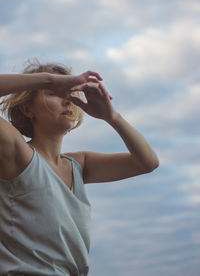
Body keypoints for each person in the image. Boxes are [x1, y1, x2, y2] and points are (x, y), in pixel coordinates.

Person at [0, 60, 159, 276]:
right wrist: (49, 79)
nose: (67, 100)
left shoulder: (79, 164)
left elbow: (148, 162)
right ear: (28, 109)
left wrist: (112, 117)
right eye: (55, 93)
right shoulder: (17, 154)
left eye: (70, 93)